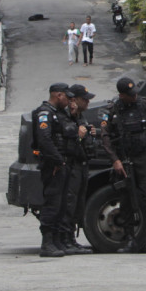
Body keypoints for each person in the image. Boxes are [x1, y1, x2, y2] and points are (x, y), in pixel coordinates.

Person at [101, 76, 146, 254]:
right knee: (126, 200)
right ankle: (130, 239)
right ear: (122, 95)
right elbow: (105, 136)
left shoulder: (145, 105)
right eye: (130, 94)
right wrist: (114, 159)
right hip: (124, 160)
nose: (134, 97)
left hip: (143, 158)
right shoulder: (114, 109)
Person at [31, 83, 77, 257]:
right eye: (67, 97)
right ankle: (47, 242)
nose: (69, 101)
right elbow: (44, 140)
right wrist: (58, 160)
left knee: (62, 204)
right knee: (53, 203)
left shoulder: (60, 114)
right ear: (58, 95)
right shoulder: (45, 113)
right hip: (53, 165)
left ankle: (57, 240)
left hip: (62, 163)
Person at [61, 84, 97, 255]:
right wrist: (79, 134)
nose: (88, 102)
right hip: (72, 164)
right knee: (69, 203)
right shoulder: (67, 116)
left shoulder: (81, 116)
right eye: (85, 99)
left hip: (82, 164)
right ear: (74, 100)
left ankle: (72, 240)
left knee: (78, 205)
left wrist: (90, 135)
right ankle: (66, 240)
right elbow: (67, 140)